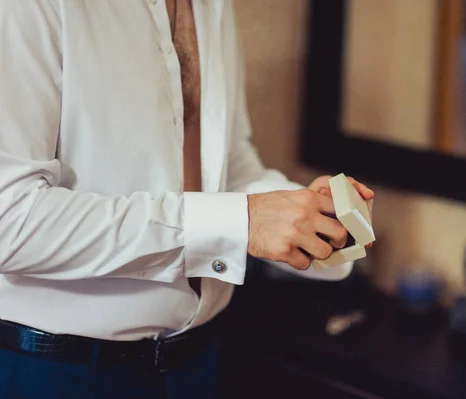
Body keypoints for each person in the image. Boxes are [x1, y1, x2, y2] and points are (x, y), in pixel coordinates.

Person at [0, 1, 375, 398]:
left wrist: (304, 214)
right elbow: (9, 217)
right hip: (60, 374)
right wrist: (243, 221)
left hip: (197, 363)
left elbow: (228, 167)